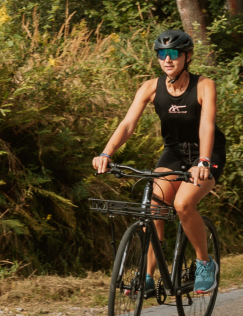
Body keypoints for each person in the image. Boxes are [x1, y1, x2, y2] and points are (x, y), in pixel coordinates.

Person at [92, 27, 226, 292]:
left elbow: (207, 126)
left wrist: (203, 162)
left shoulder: (204, 86)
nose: (167, 59)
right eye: (162, 53)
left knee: (183, 204)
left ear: (187, 56)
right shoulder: (150, 88)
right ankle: (148, 276)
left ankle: (204, 263)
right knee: (154, 206)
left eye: (174, 53)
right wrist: (106, 153)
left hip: (206, 153)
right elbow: (128, 124)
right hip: (174, 153)